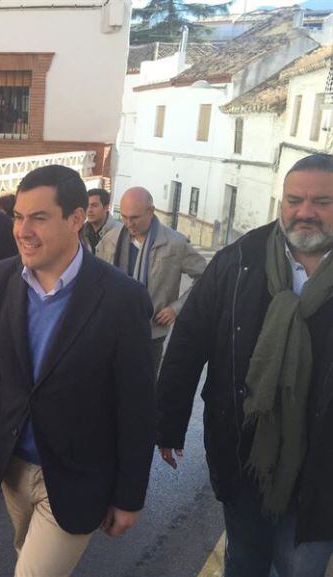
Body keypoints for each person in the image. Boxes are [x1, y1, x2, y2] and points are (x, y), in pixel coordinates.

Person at [0, 165, 156, 577]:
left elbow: (137, 405)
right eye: (19, 216)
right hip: (12, 469)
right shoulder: (0, 280)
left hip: (77, 477)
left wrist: (130, 495)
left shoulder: (123, 299)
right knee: (28, 559)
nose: (22, 230)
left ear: (75, 219)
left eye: (38, 217)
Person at [157, 154, 333, 577]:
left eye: (322, 201)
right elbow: (189, 340)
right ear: (281, 203)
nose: (304, 212)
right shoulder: (239, 260)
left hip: (322, 472)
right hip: (244, 454)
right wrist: (167, 423)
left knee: (301, 569)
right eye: (294, 200)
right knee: (245, 563)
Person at [96, 186, 206, 377]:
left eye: (134, 218)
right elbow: (98, 279)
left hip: (152, 331)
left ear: (151, 211)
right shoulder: (111, 240)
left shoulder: (175, 243)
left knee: (145, 386)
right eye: (124, 217)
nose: (129, 223)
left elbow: (205, 278)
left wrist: (176, 308)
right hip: (114, 327)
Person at [81, 188, 120, 253]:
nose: (89, 210)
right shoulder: (81, 233)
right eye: (87, 205)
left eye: (94, 205)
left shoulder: (119, 232)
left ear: (106, 207)